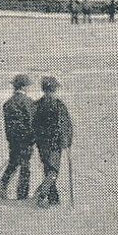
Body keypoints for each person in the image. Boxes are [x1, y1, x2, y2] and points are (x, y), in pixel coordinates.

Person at [32, 75, 74, 208]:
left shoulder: (37, 104)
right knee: (53, 171)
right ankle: (43, 192)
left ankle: (53, 198)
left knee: (47, 169)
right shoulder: (59, 105)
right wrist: (67, 141)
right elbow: (65, 125)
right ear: (54, 89)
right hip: (55, 144)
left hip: (42, 143)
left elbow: (33, 124)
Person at [0, 75, 36, 200]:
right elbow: (32, 122)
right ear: (24, 87)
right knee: (25, 166)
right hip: (26, 139)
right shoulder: (28, 102)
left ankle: (3, 183)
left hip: (13, 139)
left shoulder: (8, 103)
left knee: (13, 163)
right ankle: (22, 194)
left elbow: (8, 125)